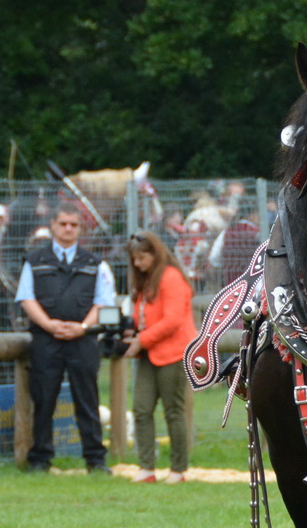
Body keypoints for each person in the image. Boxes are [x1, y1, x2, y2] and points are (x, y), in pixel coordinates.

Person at [17, 202, 115, 473]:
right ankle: (39, 459)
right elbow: (26, 298)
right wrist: (48, 325)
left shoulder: (95, 264)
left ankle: (95, 460)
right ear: (52, 226)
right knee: (44, 399)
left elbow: (103, 302)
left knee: (87, 400)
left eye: (74, 225)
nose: (68, 229)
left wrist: (82, 327)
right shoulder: (34, 261)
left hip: (83, 341)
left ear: (80, 229)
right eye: (63, 224)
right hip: (46, 341)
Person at [124, 232, 196, 483]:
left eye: (141, 258)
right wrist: (131, 331)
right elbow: (144, 315)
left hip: (173, 354)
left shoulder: (171, 277)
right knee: (141, 409)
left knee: (173, 411)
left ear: (154, 255)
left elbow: (173, 320)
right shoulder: (145, 281)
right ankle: (146, 468)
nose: (137, 263)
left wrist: (141, 341)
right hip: (149, 354)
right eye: (134, 258)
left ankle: (178, 469)